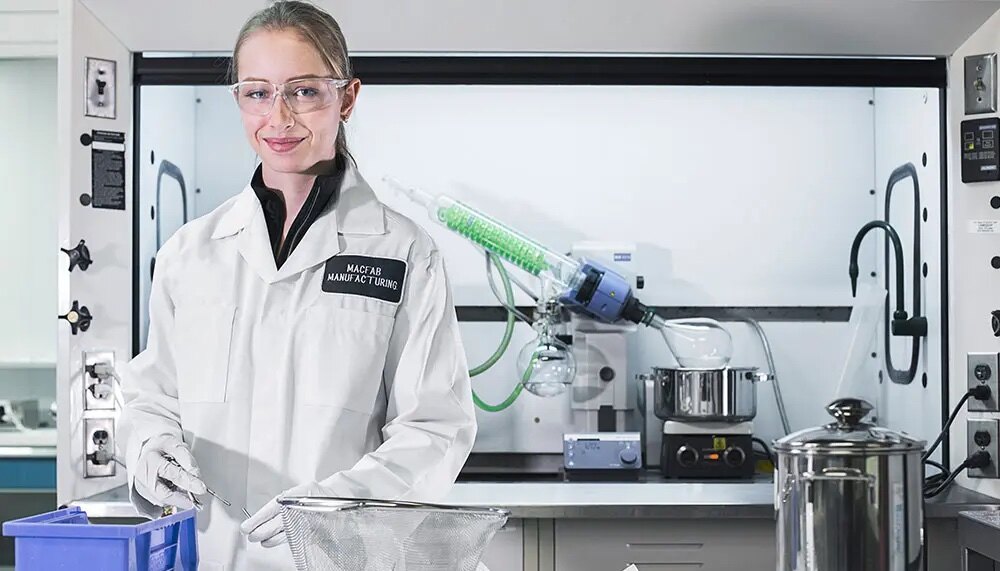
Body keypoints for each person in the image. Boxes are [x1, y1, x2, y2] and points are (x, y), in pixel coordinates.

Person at [117, 2, 477, 569]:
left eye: (304, 91)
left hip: (339, 558)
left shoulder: (402, 252)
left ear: (347, 98)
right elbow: (152, 397)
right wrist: (148, 446)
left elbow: (436, 428)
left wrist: (335, 508)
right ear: (238, 99)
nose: (279, 117)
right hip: (214, 554)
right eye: (257, 93)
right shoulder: (190, 253)